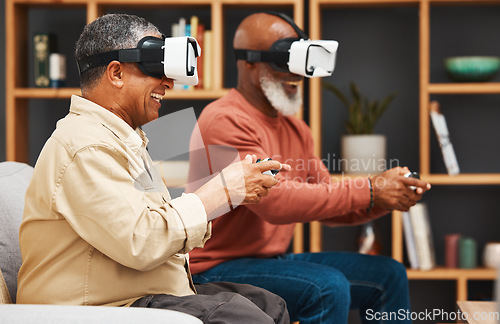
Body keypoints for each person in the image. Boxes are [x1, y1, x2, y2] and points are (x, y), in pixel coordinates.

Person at [16, 13, 291, 324]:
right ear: (116, 73)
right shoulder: (85, 145)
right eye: (156, 67)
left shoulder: (123, 138)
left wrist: (230, 195)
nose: (169, 83)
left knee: (270, 304)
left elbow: (151, 225)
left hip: (144, 293)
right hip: (101, 308)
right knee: (241, 316)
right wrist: (221, 191)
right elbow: (141, 241)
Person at [187, 12, 432, 323]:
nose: (294, 73)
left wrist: (385, 198)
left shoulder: (297, 129)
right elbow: (274, 203)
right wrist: (370, 190)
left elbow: (327, 201)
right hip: (215, 267)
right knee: (327, 287)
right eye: (283, 59)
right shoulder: (224, 118)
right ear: (247, 61)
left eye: (299, 60)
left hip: (269, 260)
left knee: (389, 273)